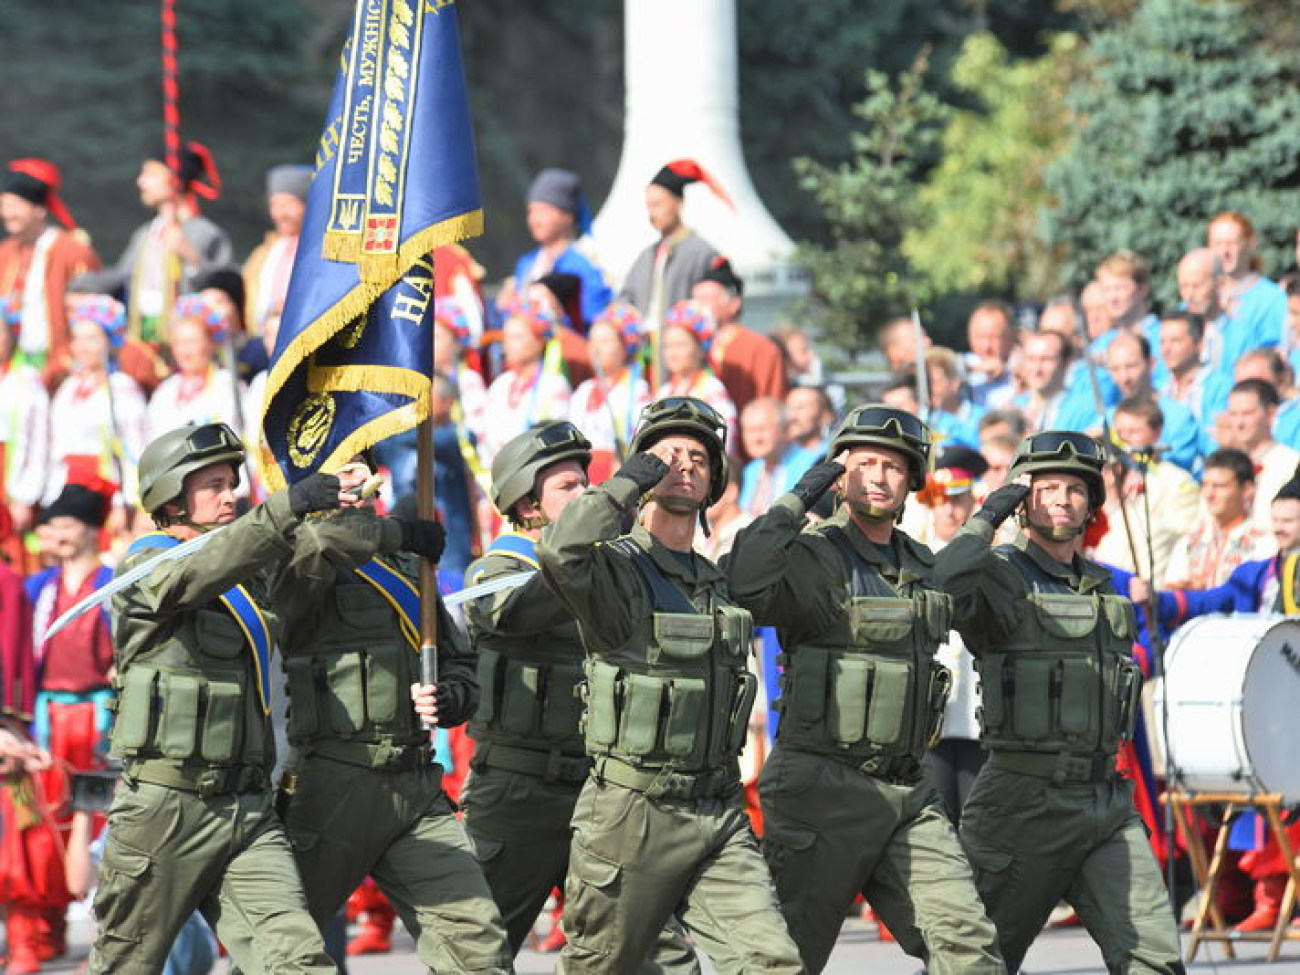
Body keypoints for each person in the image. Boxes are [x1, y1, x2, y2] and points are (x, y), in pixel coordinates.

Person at [726, 406, 1004, 974]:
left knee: (968, 946)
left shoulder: (919, 565)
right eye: (865, 463)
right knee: (784, 963)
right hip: (820, 790)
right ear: (841, 473)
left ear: (911, 483)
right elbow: (743, 580)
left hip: (906, 790)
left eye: (894, 467)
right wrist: (796, 499)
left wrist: (986, 522)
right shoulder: (811, 557)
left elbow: (963, 591)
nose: (878, 475)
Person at [537, 397, 803, 974]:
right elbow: (559, 550)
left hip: (717, 811)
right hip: (632, 814)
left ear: (713, 483)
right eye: (667, 456)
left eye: (699, 458)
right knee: (599, 967)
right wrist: (623, 486)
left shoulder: (716, 582)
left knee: (772, 961)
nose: (684, 464)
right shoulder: (617, 570)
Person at [87, 421, 341, 974]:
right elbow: (194, 575)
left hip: (246, 810)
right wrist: (283, 508)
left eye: (234, 482)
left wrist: (381, 527)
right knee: (125, 964)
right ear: (172, 496)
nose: (232, 495)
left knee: (298, 961)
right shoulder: (144, 563)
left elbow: (312, 554)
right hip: (164, 809)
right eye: (214, 484)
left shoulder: (250, 573)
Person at [933, 430, 1184, 974]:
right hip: (1020, 801)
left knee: (1155, 958)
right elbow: (943, 583)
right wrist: (993, 508)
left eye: (1075, 488)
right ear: (1026, 499)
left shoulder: (1103, 586)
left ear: (1091, 502)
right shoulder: (999, 575)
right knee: (972, 963)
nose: (1062, 499)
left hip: (1103, 801)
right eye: (1046, 488)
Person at [460, 422, 697, 970]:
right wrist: (613, 500)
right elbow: (518, 608)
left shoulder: (612, 568)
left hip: (604, 796)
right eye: (569, 487)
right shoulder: (495, 571)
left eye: (586, 484)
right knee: (476, 955)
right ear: (525, 505)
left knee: (653, 951)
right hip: (518, 797)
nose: (586, 495)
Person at [265, 454, 513, 974]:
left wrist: (451, 697)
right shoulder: (297, 557)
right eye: (339, 470)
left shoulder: (408, 564)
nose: (352, 481)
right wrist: (394, 533)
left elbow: (461, 664)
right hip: (331, 784)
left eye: (359, 467)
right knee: (284, 955)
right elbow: (322, 544)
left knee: (478, 944)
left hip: (414, 785)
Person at [76, 143, 232, 385]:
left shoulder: (203, 233)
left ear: (174, 180)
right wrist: (81, 288)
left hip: (184, 349)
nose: (141, 182)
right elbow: (122, 277)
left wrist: (191, 257)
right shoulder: (145, 234)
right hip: (142, 345)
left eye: (150, 174)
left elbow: (224, 290)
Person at [916, 446, 989, 824]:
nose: (949, 510)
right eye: (941, 500)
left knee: (978, 821)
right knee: (935, 818)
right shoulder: (915, 558)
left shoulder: (991, 559)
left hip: (977, 717)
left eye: (958, 500)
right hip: (934, 716)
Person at [44, 295, 148, 518]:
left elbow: (134, 451)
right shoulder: (69, 387)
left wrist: (126, 501)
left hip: (104, 489)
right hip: (65, 486)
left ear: (109, 341)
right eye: (77, 338)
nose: (82, 347)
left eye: (91, 338)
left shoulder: (122, 388)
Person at [0, 159, 101, 388]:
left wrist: (66, 363)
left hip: (60, 371)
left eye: (15, 206)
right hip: (11, 372)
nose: (7, 213)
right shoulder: (4, 254)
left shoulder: (73, 252)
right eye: (3, 205)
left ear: (39, 210)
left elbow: (88, 316)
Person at [1090, 397, 1201, 587]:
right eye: (1119, 433)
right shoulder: (1107, 476)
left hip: (1148, 586)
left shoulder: (1177, 482)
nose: (1124, 439)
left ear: (1156, 432)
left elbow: (1183, 542)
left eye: (1133, 432)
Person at [620, 159, 727, 323]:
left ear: (678, 203)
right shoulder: (646, 256)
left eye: (657, 204)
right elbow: (626, 302)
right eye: (648, 206)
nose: (652, 213)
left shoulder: (702, 254)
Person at [508, 168, 610, 326]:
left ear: (568, 217)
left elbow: (594, 319)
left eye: (543, 211)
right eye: (531, 211)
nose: (535, 219)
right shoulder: (526, 264)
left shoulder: (584, 266)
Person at [481, 293, 573, 464]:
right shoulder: (501, 384)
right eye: (506, 338)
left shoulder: (554, 384)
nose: (508, 344)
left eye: (517, 337)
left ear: (540, 342)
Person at [691, 258, 786, 418]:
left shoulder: (761, 349)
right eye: (696, 300)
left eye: (707, 299)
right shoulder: (691, 349)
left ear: (734, 303)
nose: (700, 307)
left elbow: (772, 404)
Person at [568, 302, 651, 484]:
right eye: (592, 340)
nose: (596, 348)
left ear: (624, 346)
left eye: (605, 341)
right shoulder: (583, 390)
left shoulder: (637, 390)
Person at [147, 295, 246, 441]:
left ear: (211, 343)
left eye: (192, 342)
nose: (184, 351)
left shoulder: (227, 385)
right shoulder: (164, 392)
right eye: (178, 343)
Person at [1104, 331, 1201, 473]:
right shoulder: (1108, 418)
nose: (1124, 377)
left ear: (1151, 363)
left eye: (1131, 366)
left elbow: (1177, 470)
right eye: (1116, 369)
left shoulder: (1179, 417)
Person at [0, 295, 50, 566]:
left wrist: (24, 496)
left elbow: (38, 441)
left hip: (10, 475)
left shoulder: (27, 380)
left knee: (16, 552)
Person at [1221, 378, 1300, 534]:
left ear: (1270, 413)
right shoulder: (1222, 465)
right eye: (1233, 414)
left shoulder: (1292, 463)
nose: (1239, 423)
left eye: (1247, 413)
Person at [1208, 211, 1288, 366]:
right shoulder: (1200, 296)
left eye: (1232, 243)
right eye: (1218, 244)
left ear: (1250, 243)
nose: (1225, 252)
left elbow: (1275, 354)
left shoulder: (1273, 299)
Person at [242, 164, 311, 338]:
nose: (280, 213)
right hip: (261, 341)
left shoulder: (320, 250)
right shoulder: (264, 253)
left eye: (288, 204)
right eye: (275, 205)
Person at [657, 300, 737, 445]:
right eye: (668, 346)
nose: (672, 353)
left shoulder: (712, 388)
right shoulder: (664, 391)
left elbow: (726, 436)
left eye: (680, 345)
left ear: (700, 349)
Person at [736, 398, 815, 518]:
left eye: (762, 429)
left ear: (785, 430)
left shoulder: (812, 465)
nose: (756, 438)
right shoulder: (749, 471)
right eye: (749, 430)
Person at [964, 301, 1018, 409]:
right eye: (980, 337)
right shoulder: (964, 363)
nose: (986, 346)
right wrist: (976, 369)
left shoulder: (1022, 366)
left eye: (994, 337)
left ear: (1011, 337)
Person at [785, 385, 835, 455]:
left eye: (801, 408)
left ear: (824, 416)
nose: (792, 416)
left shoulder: (834, 457)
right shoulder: (772, 455)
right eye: (789, 408)